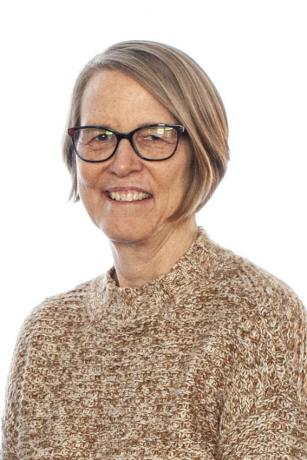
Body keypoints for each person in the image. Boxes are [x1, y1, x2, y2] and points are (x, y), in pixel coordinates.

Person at [1, 40, 306, 459]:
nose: (122, 162)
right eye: (99, 136)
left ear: (201, 154)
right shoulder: (46, 333)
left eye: (155, 136)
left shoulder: (258, 315)